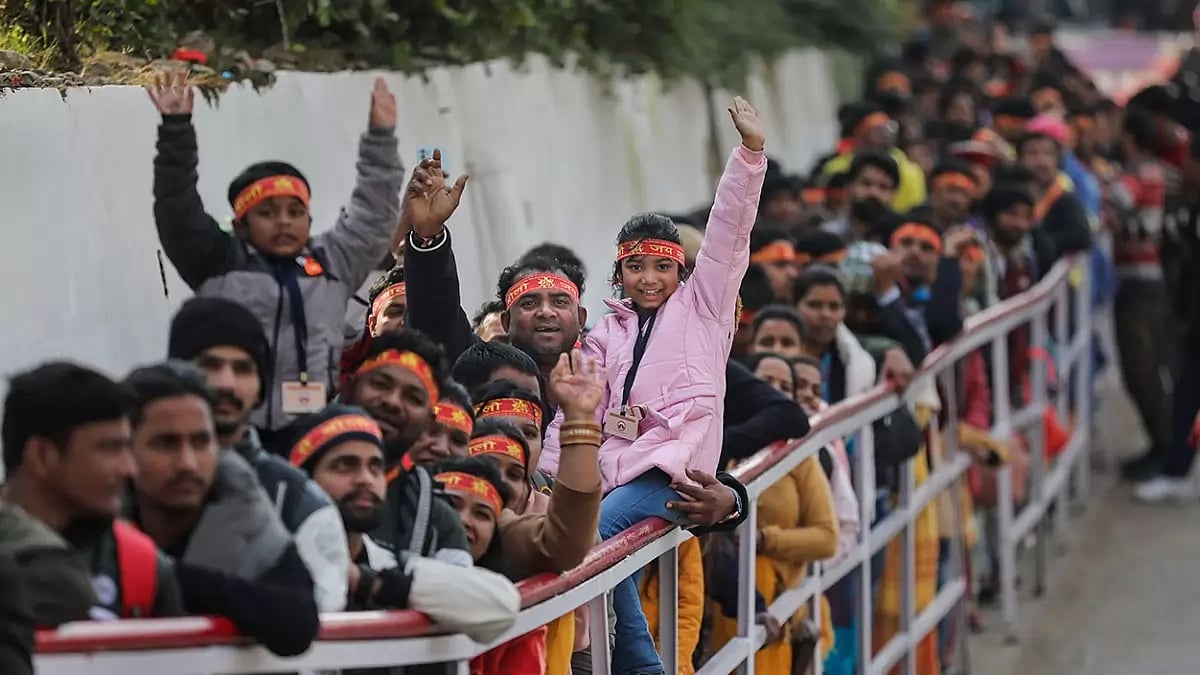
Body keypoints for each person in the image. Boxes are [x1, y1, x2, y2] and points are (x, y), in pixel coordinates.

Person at [536, 96, 765, 675]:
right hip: (615, 472)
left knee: (596, 541)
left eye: (663, 266)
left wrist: (750, 156)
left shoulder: (707, 307)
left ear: (681, 270)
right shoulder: (603, 334)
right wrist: (548, 467)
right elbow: (575, 414)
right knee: (595, 548)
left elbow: (728, 235)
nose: (650, 278)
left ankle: (637, 665)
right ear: (620, 272)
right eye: (637, 267)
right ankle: (639, 665)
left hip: (675, 474)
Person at [148, 70, 405, 430]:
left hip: (314, 431)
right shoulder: (218, 263)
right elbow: (177, 209)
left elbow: (374, 214)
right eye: (267, 213)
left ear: (310, 220)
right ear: (240, 225)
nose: (284, 222)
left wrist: (381, 139)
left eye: (295, 212)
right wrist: (176, 129)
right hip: (233, 432)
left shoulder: (332, 263)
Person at [167, 296, 351, 612]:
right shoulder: (130, 476)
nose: (226, 383)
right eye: (208, 366)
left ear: (260, 387)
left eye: (242, 369)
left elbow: (321, 616)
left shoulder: (298, 499)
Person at [123, 362, 319, 656]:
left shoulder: (249, 518)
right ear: (126, 450)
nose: (187, 463)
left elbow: (296, 623)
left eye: (201, 442)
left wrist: (156, 575)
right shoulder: (88, 520)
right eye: (165, 444)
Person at [284, 404, 519, 642]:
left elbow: (502, 606)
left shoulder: (386, 564)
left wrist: (368, 583)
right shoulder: (273, 557)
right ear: (304, 480)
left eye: (375, 467)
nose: (365, 479)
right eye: (345, 465)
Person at [1, 362, 185, 621]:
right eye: (110, 448)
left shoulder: (139, 566)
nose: (129, 469)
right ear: (41, 456)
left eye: (128, 448)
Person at [338, 330, 474, 565]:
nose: (392, 402)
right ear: (350, 387)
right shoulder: (290, 479)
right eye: (381, 384)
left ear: (428, 423)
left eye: (413, 398)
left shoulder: (438, 521)